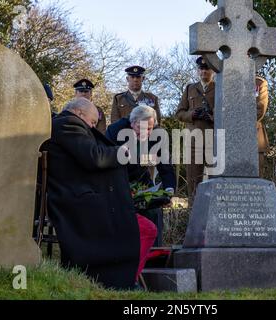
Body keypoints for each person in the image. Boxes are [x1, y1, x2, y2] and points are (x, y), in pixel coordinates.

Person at [43, 97, 156, 289]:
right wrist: (121, 152)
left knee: (143, 226)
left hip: (83, 196)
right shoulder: (68, 124)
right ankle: (121, 280)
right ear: (79, 113)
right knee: (144, 228)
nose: (93, 127)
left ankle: (121, 279)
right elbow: (94, 157)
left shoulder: (67, 126)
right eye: (93, 122)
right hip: (80, 200)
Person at [106, 104, 176, 246]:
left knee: (154, 209)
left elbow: (165, 167)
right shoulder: (115, 131)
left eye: (149, 129)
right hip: (117, 179)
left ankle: (154, 253)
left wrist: (169, 191)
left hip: (141, 179)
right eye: (140, 128)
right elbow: (105, 159)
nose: (144, 132)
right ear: (132, 123)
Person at [176, 57, 215, 205]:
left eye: (207, 68)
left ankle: (214, 213)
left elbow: (226, 111)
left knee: (215, 180)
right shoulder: (190, 88)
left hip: (214, 141)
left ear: (212, 71)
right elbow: (179, 113)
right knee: (193, 182)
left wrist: (211, 116)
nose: (204, 71)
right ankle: (192, 214)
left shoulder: (219, 87)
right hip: (193, 142)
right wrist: (192, 114)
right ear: (198, 70)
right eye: (201, 69)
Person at [256, 75, 270, 177]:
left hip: (254, 136)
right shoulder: (228, 80)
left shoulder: (258, 83)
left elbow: (260, 109)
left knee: (257, 177)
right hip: (231, 138)